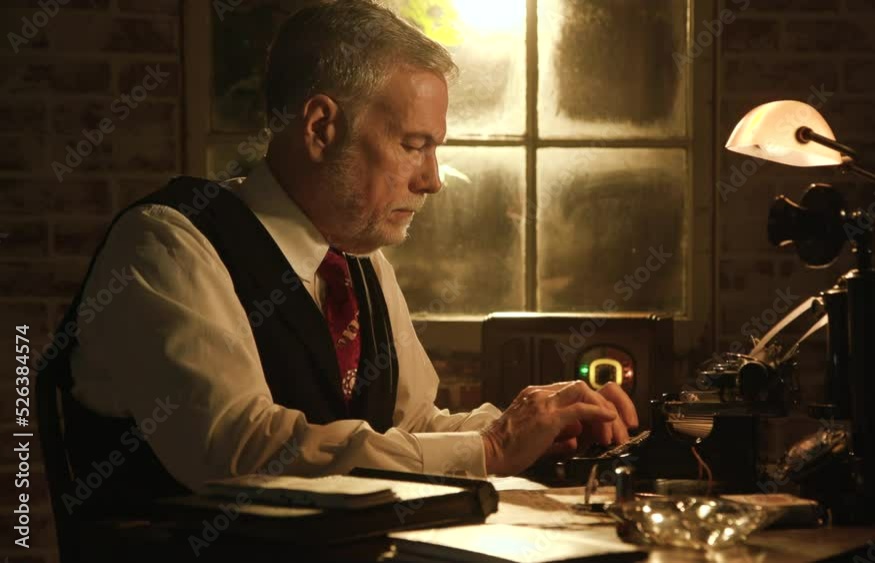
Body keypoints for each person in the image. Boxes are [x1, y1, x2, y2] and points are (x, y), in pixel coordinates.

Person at [40, 0, 637, 512]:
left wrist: (544, 423)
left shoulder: (357, 259)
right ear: (322, 127)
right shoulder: (166, 244)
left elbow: (410, 429)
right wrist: (493, 448)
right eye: (413, 145)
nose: (433, 180)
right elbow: (235, 451)